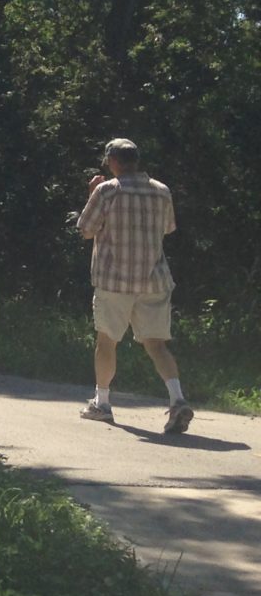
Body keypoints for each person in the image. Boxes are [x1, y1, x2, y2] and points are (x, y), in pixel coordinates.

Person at [75, 138, 192, 434]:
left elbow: (86, 230)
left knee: (107, 341)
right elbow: (167, 228)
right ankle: (178, 399)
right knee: (156, 344)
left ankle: (102, 403)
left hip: (114, 280)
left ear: (112, 161)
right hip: (154, 280)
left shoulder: (106, 191)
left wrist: (91, 194)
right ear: (136, 161)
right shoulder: (161, 191)